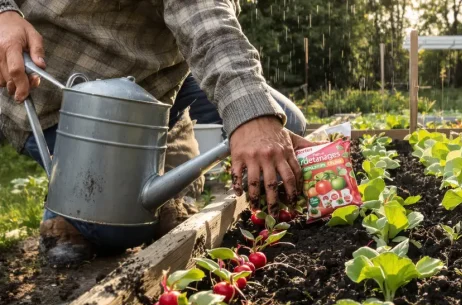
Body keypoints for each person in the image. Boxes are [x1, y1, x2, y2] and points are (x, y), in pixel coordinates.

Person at [0, 1, 313, 265]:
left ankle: (165, 147)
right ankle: (73, 204)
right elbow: (203, 15)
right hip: (60, 88)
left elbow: (208, 21)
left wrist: (255, 117)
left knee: (288, 126)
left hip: (156, 81)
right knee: (120, 226)